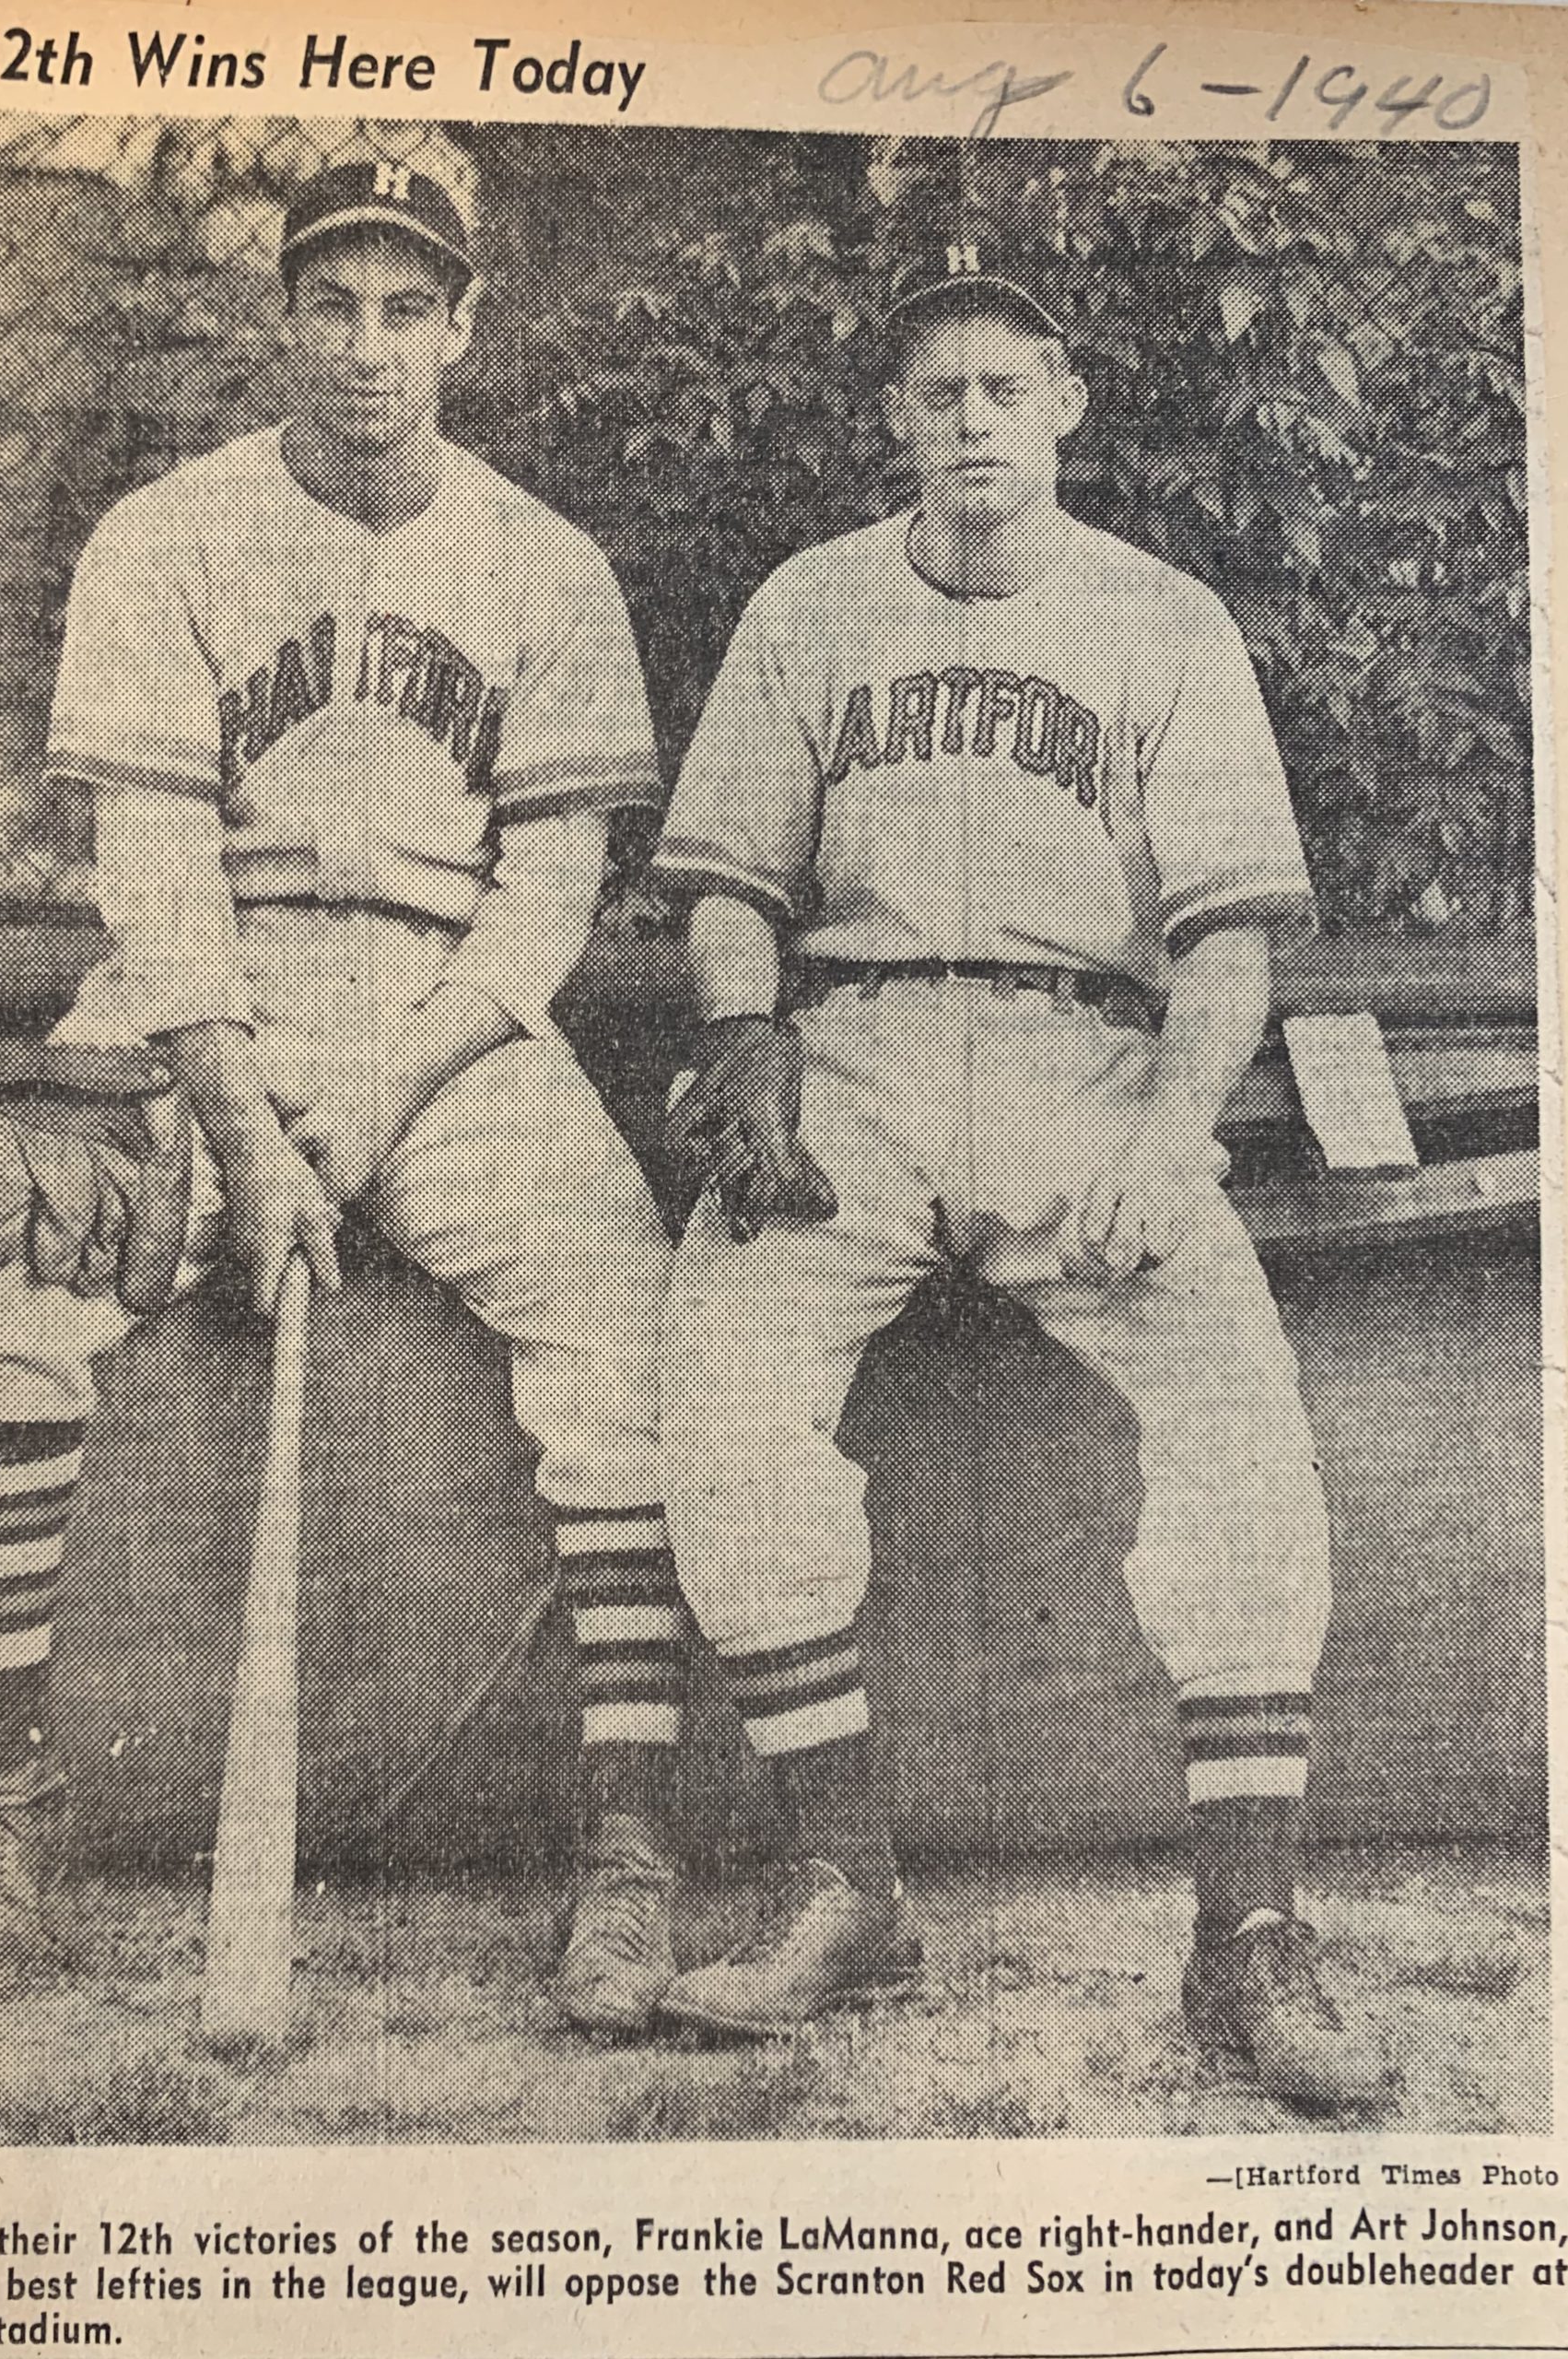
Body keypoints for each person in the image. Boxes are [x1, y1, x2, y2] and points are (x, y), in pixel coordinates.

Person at [0, 161, 685, 2036]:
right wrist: (242, 1130)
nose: (368, 345)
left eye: (409, 307)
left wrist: (388, 1091)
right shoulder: (164, 539)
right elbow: (152, 873)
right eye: (334, 302)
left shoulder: (542, 562)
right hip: (197, 999)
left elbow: (548, 893)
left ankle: (628, 1843)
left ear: (463, 328)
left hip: (448, 1014)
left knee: (627, 1302)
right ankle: (5, 1802)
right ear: (284, 319)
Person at [644, 242, 1388, 2112]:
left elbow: (1225, 943)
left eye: (1002, 386)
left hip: (1087, 1056)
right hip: (860, 1050)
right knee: (719, 1367)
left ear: (1062, 401)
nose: (968, 419)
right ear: (892, 417)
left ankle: (1245, 1932)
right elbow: (730, 883)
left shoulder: (1161, 621)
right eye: (932, 392)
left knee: (1234, 1396)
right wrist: (748, 1049)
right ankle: (846, 1885)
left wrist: (1161, 1136)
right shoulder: (809, 609)